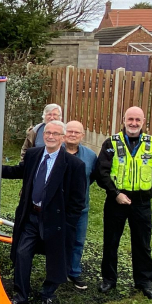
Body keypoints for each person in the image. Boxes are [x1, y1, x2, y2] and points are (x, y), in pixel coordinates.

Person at [1, 121, 86, 304]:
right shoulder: (34, 155)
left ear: (63, 138)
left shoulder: (74, 165)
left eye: (56, 134)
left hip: (56, 221)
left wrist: (68, 223)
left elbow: (77, 200)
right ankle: (21, 295)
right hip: (32, 215)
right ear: (43, 135)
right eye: (48, 132)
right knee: (22, 253)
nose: (51, 136)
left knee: (55, 259)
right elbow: (19, 172)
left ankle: (48, 294)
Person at [95, 106, 152, 299]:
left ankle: (144, 282)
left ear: (144, 121)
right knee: (111, 241)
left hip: (141, 202)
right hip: (116, 201)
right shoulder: (111, 143)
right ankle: (109, 280)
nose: (133, 123)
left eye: (138, 120)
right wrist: (115, 193)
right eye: (130, 119)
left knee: (142, 243)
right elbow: (101, 172)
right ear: (123, 120)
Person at [62, 120, 98, 290]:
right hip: (57, 207)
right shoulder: (54, 151)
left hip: (80, 209)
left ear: (82, 136)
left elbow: (91, 178)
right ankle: (56, 271)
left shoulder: (90, 156)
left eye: (77, 132)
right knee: (55, 240)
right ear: (64, 134)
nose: (73, 135)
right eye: (69, 131)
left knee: (78, 241)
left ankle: (74, 272)